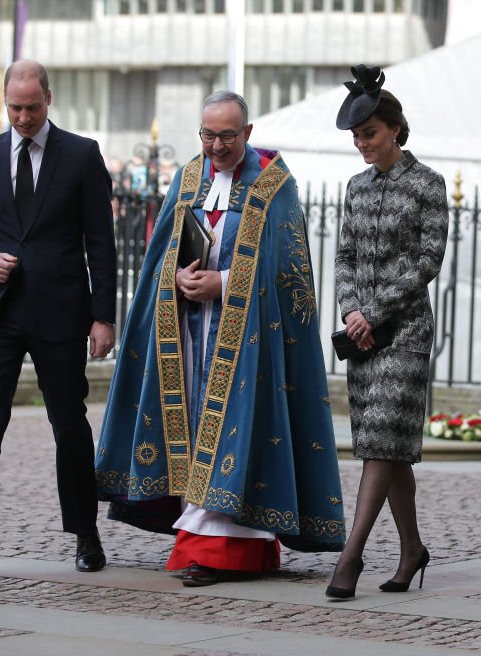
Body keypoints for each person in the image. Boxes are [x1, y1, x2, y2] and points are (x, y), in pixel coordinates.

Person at [95, 90, 346, 586]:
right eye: (207, 135)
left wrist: (225, 283)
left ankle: (217, 551)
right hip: (189, 337)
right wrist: (178, 278)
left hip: (248, 343)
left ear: (247, 133)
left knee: (236, 432)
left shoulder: (274, 185)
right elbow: (161, 254)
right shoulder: (189, 177)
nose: (216, 146)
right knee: (192, 430)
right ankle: (217, 543)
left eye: (227, 136)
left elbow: (289, 272)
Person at [0, 59, 116, 592]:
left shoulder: (82, 154)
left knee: (69, 425)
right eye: (15, 108)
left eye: (32, 107)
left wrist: (103, 317)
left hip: (61, 313)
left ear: (49, 99)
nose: (23, 117)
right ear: (5, 101)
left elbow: (100, 242)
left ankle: (85, 534)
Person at [325, 65, 448, 599]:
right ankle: (412, 550)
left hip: (405, 333)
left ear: (396, 129)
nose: (363, 144)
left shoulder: (428, 184)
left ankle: (350, 557)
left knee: (379, 444)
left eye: (370, 133)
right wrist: (353, 311)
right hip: (363, 338)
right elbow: (345, 256)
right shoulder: (356, 187)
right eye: (357, 136)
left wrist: (372, 313)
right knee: (387, 448)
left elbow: (428, 260)